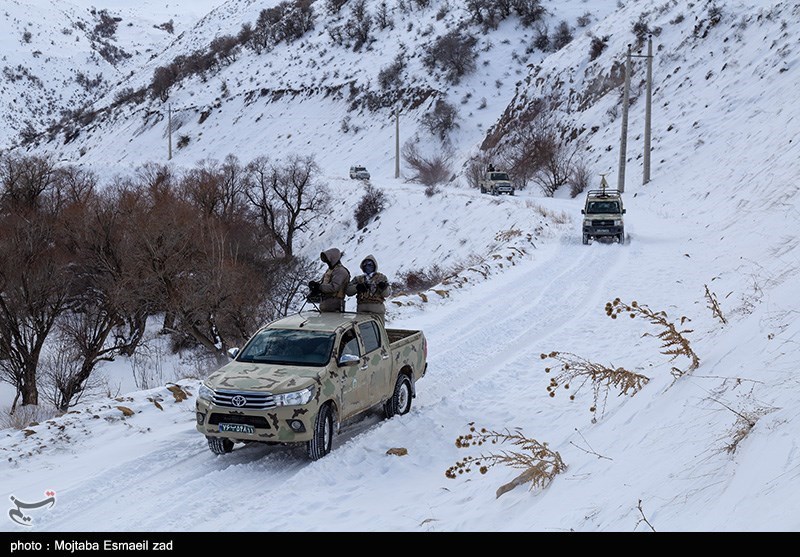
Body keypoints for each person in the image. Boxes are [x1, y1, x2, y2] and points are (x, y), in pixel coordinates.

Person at [346, 254, 391, 324]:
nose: (367, 267)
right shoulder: (358, 279)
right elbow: (348, 292)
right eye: (365, 264)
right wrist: (357, 287)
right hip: (362, 312)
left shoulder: (382, 278)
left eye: (370, 264)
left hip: (377, 312)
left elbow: (387, 294)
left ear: (374, 266)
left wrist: (384, 287)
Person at [308, 248, 350, 312]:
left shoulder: (341, 271)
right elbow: (324, 284)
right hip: (326, 304)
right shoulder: (330, 270)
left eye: (327, 260)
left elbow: (334, 287)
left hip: (335, 305)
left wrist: (319, 287)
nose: (327, 262)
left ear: (333, 259)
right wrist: (315, 287)